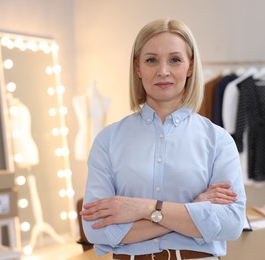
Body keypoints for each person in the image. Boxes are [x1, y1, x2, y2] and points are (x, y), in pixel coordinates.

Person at [81, 18, 246, 260]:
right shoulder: (108, 140)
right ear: (137, 67)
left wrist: (143, 209)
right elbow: (97, 230)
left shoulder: (218, 140)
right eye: (151, 60)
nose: (163, 71)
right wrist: (194, 209)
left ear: (190, 66)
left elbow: (231, 224)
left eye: (175, 59)